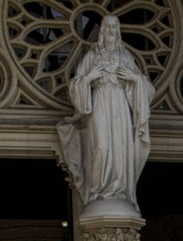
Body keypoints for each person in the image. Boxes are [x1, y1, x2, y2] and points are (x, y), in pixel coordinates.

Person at [56, 14, 153, 212]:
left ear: (118, 30)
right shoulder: (92, 56)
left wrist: (134, 79)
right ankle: (99, 191)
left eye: (114, 26)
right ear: (102, 30)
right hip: (99, 101)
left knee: (120, 147)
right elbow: (76, 85)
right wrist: (90, 78)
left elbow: (146, 87)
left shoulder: (125, 57)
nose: (110, 30)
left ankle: (119, 190)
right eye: (107, 26)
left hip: (119, 104)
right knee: (101, 146)